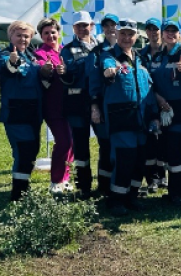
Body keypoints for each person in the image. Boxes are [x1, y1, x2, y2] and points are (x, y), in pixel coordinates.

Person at [92, 18, 160, 216]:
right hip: (121, 117)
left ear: (136, 36)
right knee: (124, 159)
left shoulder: (141, 59)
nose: (126, 37)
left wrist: (154, 116)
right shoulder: (108, 56)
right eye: (123, 33)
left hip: (142, 118)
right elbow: (106, 70)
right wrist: (108, 72)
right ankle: (116, 200)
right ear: (116, 34)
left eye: (130, 34)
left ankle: (132, 196)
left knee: (140, 159)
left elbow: (149, 89)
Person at [0, 21, 44, 201]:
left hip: (34, 113)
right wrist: (13, 62)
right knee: (23, 152)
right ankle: (18, 195)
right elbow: (8, 69)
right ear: (11, 37)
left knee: (32, 152)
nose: (23, 39)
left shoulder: (33, 56)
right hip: (16, 114)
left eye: (26, 36)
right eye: (19, 35)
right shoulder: (5, 54)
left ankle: (24, 189)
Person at [151, 19, 181, 206]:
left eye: (174, 31)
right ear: (162, 33)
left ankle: (179, 194)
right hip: (162, 107)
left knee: (176, 150)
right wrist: (158, 99)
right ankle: (173, 192)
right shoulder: (158, 57)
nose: (170, 33)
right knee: (167, 150)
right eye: (167, 31)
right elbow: (150, 81)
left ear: (178, 34)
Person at [60, 11, 99, 200]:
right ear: (73, 28)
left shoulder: (101, 46)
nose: (83, 29)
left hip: (98, 102)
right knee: (81, 147)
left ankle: (105, 185)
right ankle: (83, 187)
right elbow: (68, 74)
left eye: (86, 25)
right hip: (77, 102)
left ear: (92, 25)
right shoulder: (67, 50)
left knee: (106, 143)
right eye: (78, 26)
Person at [35, 18, 75, 194]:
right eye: (46, 33)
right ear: (41, 36)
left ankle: (66, 178)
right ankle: (56, 180)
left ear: (58, 33)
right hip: (53, 106)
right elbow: (42, 73)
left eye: (53, 32)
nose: (50, 35)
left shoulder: (66, 51)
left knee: (72, 142)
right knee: (64, 141)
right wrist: (47, 70)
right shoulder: (40, 54)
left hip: (71, 103)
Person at [87, 13, 120, 197]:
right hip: (103, 107)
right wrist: (94, 107)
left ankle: (120, 184)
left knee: (121, 147)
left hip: (123, 109)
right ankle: (104, 187)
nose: (110, 29)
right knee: (106, 146)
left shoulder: (128, 50)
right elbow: (93, 82)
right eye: (106, 26)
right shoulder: (97, 53)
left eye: (113, 25)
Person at [139, 16, 166, 193]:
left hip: (167, 103)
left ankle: (162, 176)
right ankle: (152, 179)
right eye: (149, 29)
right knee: (150, 140)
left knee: (163, 140)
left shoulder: (169, 52)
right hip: (149, 102)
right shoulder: (141, 54)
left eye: (155, 29)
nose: (152, 32)